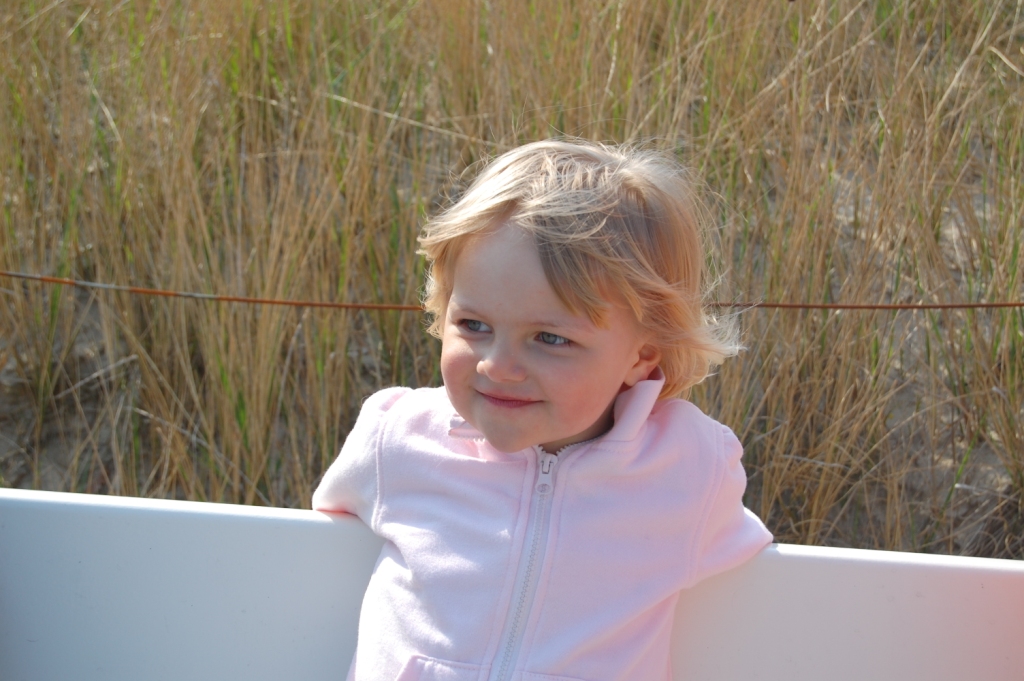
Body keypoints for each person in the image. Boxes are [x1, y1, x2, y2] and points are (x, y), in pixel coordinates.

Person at [313, 139, 772, 681]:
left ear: (641, 355)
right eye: (474, 325)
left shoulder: (690, 468)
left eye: (551, 338)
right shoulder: (398, 437)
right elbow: (321, 536)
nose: (498, 366)